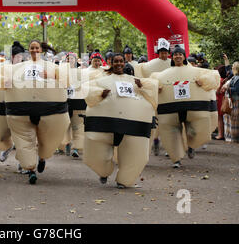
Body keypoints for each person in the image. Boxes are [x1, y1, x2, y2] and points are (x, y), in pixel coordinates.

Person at [84, 53, 158, 188]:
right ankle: (103, 170)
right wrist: (100, 93)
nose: (118, 64)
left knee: (134, 153)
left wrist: (142, 86)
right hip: (107, 123)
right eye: (116, 61)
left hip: (130, 123)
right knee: (97, 153)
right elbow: (87, 91)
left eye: (121, 61)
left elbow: (152, 94)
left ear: (124, 63)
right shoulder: (101, 80)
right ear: (111, 63)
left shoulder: (135, 81)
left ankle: (124, 179)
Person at [3, 39, 70, 184]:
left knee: (44, 139)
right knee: (26, 141)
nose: (34, 50)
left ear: (41, 50)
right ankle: (31, 170)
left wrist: (51, 76)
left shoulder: (52, 67)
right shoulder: (18, 68)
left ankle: (41, 157)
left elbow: (65, 82)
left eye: (36, 48)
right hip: (23, 111)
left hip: (47, 110)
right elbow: (5, 82)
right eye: (32, 48)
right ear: (29, 50)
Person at [150, 45, 219, 168]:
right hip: (172, 109)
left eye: (180, 54)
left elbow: (213, 77)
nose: (177, 56)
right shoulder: (164, 75)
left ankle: (191, 146)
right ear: (172, 57)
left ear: (184, 56)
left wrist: (202, 81)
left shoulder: (196, 72)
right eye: (175, 54)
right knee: (172, 134)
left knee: (192, 131)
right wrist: (157, 87)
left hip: (191, 107)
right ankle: (176, 159)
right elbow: (153, 84)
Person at [134, 38, 172, 156]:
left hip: (170, 97)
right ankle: (155, 140)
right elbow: (145, 79)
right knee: (156, 120)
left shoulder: (173, 63)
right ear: (158, 52)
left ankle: (168, 147)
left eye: (165, 52)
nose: (163, 54)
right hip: (155, 97)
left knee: (169, 121)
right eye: (161, 52)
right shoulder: (150, 65)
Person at [60, 52, 87, 158]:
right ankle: (66, 144)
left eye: (71, 59)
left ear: (75, 61)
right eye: (68, 59)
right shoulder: (61, 72)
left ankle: (75, 148)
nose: (69, 60)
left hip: (77, 101)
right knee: (66, 125)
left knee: (77, 126)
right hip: (65, 101)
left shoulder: (81, 72)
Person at [224, 61, 239, 142]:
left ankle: (233, 138)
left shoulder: (238, 78)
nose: (232, 67)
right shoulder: (235, 76)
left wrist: (227, 88)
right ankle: (229, 137)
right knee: (229, 119)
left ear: (237, 68)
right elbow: (228, 70)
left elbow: (237, 90)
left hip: (235, 102)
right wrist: (226, 60)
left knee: (234, 120)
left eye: (233, 66)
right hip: (232, 101)